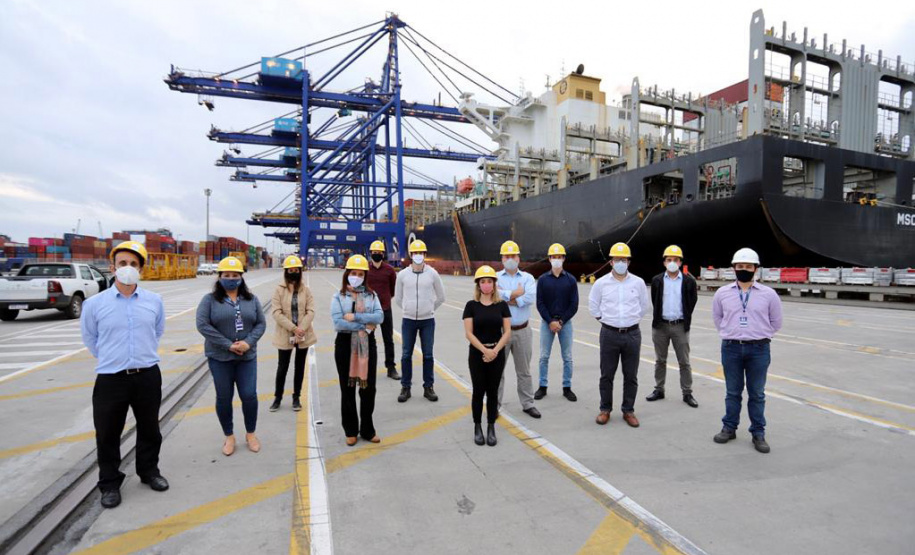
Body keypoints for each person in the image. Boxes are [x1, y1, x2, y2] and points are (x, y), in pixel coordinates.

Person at [80, 241, 168, 509]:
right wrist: (113, 358)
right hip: (110, 378)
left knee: (150, 428)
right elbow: (91, 339)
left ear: (141, 269)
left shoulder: (154, 301)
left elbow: (157, 331)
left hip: (147, 375)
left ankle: (149, 472)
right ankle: (109, 483)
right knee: (107, 433)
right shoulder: (94, 304)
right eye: (122, 264)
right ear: (112, 267)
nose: (127, 268)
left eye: (133, 264)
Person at [712, 248, 783, 454]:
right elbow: (718, 318)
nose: (744, 269)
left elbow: (776, 322)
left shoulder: (769, 295)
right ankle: (729, 427)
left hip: (759, 349)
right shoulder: (722, 293)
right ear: (734, 268)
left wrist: (758, 334)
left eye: (748, 267)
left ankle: (758, 433)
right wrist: (731, 332)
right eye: (740, 266)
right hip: (731, 348)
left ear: (755, 269)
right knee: (732, 392)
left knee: (757, 394)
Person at [195, 256, 267, 456]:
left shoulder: (251, 299)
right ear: (219, 277)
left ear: (242, 277)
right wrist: (228, 345)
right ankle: (229, 435)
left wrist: (248, 343)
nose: (231, 278)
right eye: (226, 275)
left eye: (235, 275)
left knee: (249, 395)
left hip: (247, 357)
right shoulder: (209, 300)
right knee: (224, 397)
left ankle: (250, 434)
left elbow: (261, 323)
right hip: (220, 358)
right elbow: (203, 325)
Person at [588, 242, 651, 428]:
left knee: (631, 375)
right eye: (617, 259)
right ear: (611, 262)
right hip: (609, 333)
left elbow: (644, 307)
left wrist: (629, 321)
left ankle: (628, 410)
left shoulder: (638, 283)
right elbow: (593, 306)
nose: (620, 262)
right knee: (607, 374)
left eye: (623, 259)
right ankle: (605, 409)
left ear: (629, 262)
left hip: (632, 334)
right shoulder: (601, 283)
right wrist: (608, 321)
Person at [331, 255, 384, 446]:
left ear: (365, 276)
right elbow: (338, 323)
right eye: (353, 273)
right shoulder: (338, 296)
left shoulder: (372, 295)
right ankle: (351, 430)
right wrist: (364, 324)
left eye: (360, 274)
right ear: (347, 274)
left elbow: (379, 317)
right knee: (348, 389)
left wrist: (354, 316)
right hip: (345, 344)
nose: (356, 276)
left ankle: (368, 430)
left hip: (367, 346)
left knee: (369, 389)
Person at [463, 265, 512, 446]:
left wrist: (495, 351)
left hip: (496, 353)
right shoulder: (471, 306)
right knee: (478, 391)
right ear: (478, 285)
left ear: (494, 284)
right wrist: (485, 351)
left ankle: (491, 427)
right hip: (477, 354)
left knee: (493, 392)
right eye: (482, 282)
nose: (486, 285)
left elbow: (506, 332)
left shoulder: (502, 305)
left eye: (489, 281)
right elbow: (469, 333)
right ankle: (478, 427)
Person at [647, 245, 699, 407]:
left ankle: (687, 392)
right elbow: (655, 300)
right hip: (660, 325)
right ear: (664, 263)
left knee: (684, 361)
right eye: (669, 260)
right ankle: (659, 389)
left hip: (679, 326)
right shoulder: (657, 280)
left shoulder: (689, 281)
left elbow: (692, 301)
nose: (672, 263)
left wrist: (683, 318)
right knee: (660, 360)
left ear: (680, 262)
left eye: (675, 260)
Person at [394, 239, 445, 403]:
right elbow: (398, 298)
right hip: (408, 320)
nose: (418, 256)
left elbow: (441, 297)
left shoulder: (432, 274)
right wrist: (408, 309)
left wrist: (429, 308)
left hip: (427, 321)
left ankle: (428, 387)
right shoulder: (402, 275)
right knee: (406, 354)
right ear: (411, 255)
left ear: (425, 255)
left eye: (421, 253)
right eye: (415, 253)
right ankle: (405, 387)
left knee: (428, 355)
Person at [496, 240, 541, 418]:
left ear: (518, 258)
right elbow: (493, 297)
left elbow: (530, 297)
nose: (510, 259)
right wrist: (516, 294)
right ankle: (495, 404)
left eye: (513, 256)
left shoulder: (528, 278)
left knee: (524, 371)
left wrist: (506, 297)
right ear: (502, 259)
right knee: (497, 371)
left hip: (523, 330)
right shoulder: (495, 277)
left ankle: (528, 403)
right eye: (507, 256)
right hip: (500, 332)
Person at [269, 255, 316, 412]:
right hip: (286, 333)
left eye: (296, 270)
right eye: (291, 270)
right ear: (286, 271)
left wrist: (301, 328)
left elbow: (311, 310)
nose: (294, 272)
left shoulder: (306, 290)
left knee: (299, 367)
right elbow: (276, 312)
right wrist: (293, 328)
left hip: (303, 333)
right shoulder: (278, 290)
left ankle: (296, 398)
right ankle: (278, 397)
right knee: (282, 367)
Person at [535, 243, 579, 402]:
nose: (557, 260)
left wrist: (560, 321)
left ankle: (567, 387)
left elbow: (574, 305)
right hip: (547, 323)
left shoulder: (571, 280)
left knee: (567, 357)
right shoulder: (542, 280)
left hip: (565, 323)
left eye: (559, 257)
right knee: (543, 356)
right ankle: (542, 386)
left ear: (564, 259)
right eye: (554, 257)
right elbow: (540, 303)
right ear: (549, 259)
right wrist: (550, 321)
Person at [366, 240, 399, 380]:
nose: (377, 254)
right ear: (370, 253)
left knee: (388, 339)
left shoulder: (390, 270)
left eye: (379, 253)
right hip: (369, 311)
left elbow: (393, 289)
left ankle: (391, 368)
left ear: (383, 254)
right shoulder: (365, 269)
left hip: (385, 309)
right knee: (368, 339)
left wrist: (384, 299)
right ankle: (368, 367)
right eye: (374, 252)